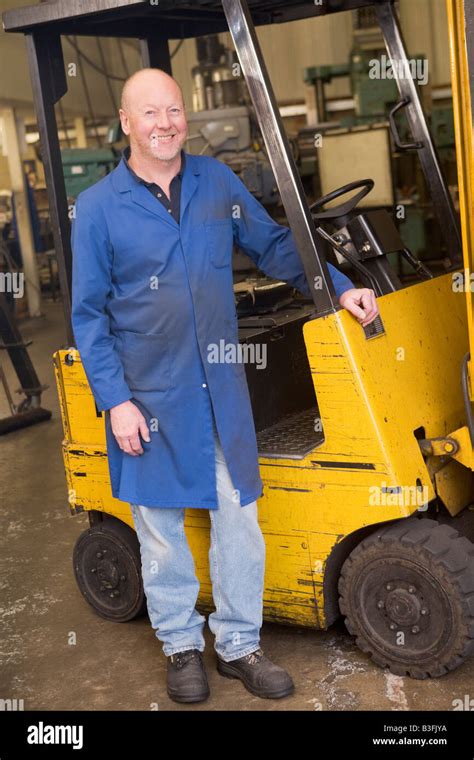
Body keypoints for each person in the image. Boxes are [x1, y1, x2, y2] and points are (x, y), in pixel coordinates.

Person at [71, 68, 379, 704]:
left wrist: (337, 285)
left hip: (217, 385)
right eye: (150, 113)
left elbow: (272, 247)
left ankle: (239, 645)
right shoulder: (99, 208)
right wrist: (116, 401)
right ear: (126, 123)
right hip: (146, 397)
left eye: (175, 110)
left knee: (238, 517)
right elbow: (88, 316)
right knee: (159, 527)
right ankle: (182, 645)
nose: (166, 123)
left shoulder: (215, 182)